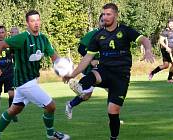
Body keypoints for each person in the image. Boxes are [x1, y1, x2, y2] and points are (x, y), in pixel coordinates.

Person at [63, 3, 154, 140]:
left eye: (108, 14)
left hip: (121, 76)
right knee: (93, 76)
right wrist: (72, 74)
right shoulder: (98, 36)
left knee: (113, 111)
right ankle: (80, 87)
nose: (105, 17)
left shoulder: (125, 31)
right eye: (103, 14)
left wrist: (147, 50)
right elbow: (87, 57)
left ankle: (113, 138)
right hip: (104, 70)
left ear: (116, 15)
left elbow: (144, 40)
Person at [0, 10, 70, 140]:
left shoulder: (43, 39)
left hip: (29, 82)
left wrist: (64, 71)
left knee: (14, 110)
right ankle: (50, 134)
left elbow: (54, 57)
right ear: (27, 23)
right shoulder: (22, 38)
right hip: (25, 83)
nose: (36, 23)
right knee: (51, 105)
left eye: (37, 20)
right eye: (32, 21)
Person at [65, 14, 104, 119]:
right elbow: (81, 49)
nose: (104, 23)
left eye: (106, 21)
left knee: (88, 95)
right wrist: (91, 60)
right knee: (87, 95)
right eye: (102, 21)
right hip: (91, 68)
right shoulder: (93, 34)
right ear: (98, 22)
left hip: (103, 67)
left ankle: (114, 118)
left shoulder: (110, 34)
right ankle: (73, 98)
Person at [149, 18, 173, 83]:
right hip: (167, 50)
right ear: (167, 24)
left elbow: (172, 41)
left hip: (171, 49)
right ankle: (169, 79)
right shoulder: (165, 32)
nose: (171, 25)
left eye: (172, 23)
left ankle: (152, 72)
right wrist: (167, 48)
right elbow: (161, 41)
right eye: (170, 23)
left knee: (166, 65)